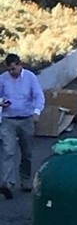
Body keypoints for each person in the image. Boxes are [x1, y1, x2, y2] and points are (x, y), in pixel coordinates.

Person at [0, 54, 45, 199]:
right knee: (8, 151)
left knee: (27, 153)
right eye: (9, 69)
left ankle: (25, 181)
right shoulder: (3, 79)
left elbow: (38, 95)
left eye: (14, 68)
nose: (12, 72)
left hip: (26, 119)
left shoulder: (30, 78)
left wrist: (37, 111)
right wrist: (1, 101)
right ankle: (7, 184)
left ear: (19, 65)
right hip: (9, 119)